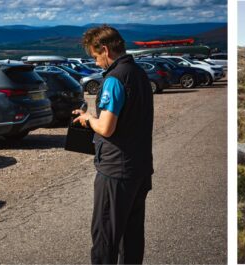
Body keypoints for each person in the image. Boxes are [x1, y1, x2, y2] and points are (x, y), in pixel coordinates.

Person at [72, 24, 155, 264]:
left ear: (106, 50)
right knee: (131, 236)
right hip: (139, 169)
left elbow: (107, 127)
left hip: (116, 171)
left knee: (105, 237)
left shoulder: (114, 79)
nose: (96, 62)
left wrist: (88, 119)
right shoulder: (138, 74)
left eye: (96, 57)